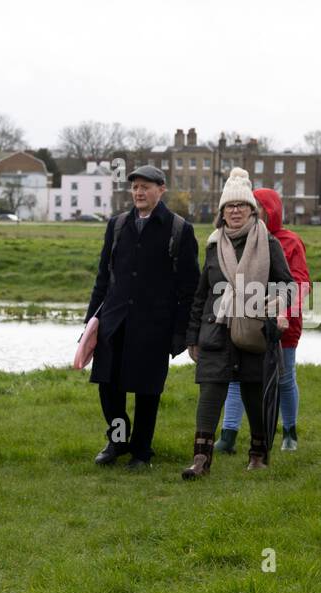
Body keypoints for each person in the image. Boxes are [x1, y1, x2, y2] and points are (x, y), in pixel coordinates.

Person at [83, 165, 200, 469]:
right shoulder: (117, 225)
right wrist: (90, 324)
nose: (138, 192)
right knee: (109, 388)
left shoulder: (179, 229)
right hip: (114, 322)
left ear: (161, 190)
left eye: (145, 187)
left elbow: (190, 288)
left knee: (148, 391)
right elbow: (102, 278)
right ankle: (118, 440)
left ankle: (141, 452)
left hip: (154, 327)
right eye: (134, 187)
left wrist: (181, 333)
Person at [183, 168, 292, 479]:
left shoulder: (268, 243)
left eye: (240, 206)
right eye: (228, 207)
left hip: (254, 330)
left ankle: (258, 454)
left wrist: (276, 306)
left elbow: (287, 284)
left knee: (255, 395)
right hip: (215, 329)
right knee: (209, 393)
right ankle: (200, 460)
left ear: (251, 210)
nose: (234, 211)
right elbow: (202, 293)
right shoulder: (213, 245)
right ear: (222, 212)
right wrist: (193, 336)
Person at [214, 188, 309, 453]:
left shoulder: (289, 242)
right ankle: (229, 434)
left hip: (281, 324)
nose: (250, 212)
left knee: (284, 377)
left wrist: (283, 313)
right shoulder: (239, 239)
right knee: (236, 376)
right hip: (243, 322)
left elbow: (300, 283)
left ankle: (289, 432)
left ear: (271, 211)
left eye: (257, 207)